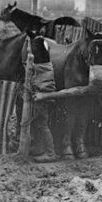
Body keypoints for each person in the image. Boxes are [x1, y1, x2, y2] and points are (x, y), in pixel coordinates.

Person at [28, 34, 57, 163]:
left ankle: (50, 153)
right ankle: (39, 148)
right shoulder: (47, 64)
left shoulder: (39, 67)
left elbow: (30, 72)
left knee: (42, 124)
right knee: (38, 123)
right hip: (47, 97)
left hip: (43, 98)